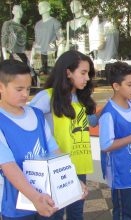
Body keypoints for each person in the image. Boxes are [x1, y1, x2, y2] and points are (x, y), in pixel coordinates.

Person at [30, 50, 96, 220]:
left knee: (76, 213)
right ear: (68, 72)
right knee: (54, 214)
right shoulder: (47, 97)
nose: (87, 78)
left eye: (88, 73)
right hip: (55, 169)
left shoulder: (80, 98)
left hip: (78, 166)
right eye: (83, 73)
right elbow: (29, 128)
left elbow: (88, 123)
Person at [0, 59, 59, 219]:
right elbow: (8, 166)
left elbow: (54, 150)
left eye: (28, 88)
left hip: (47, 197)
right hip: (16, 205)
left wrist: (70, 178)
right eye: (19, 89)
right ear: (1, 87)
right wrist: (34, 197)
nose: (25, 94)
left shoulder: (37, 115)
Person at [99, 61, 131, 220]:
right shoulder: (109, 112)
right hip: (120, 173)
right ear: (116, 86)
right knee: (123, 213)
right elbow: (106, 145)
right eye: (129, 84)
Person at [1, 5, 38, 85]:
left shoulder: (23, 27)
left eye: (21, 11)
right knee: (15, 73)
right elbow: (4, 39)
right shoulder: (8, 24)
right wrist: (5, 56)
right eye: (17, 11)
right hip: (11, 53)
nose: (19, 13)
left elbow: (24, 43)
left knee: (30, 71)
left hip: (21, 53)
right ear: (13, 12)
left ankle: (32, 86)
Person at [31, 1, 65, 75]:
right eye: (38, 6)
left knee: (51, 76)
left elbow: (61, 39)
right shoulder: (37, 24)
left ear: (48, 8)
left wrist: (59, 57)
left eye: (42, 6)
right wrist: (32, 56)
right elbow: (36, 41)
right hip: (38, 54)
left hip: (50, 53)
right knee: (39, 77)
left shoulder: (55, 23)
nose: (39, 8)